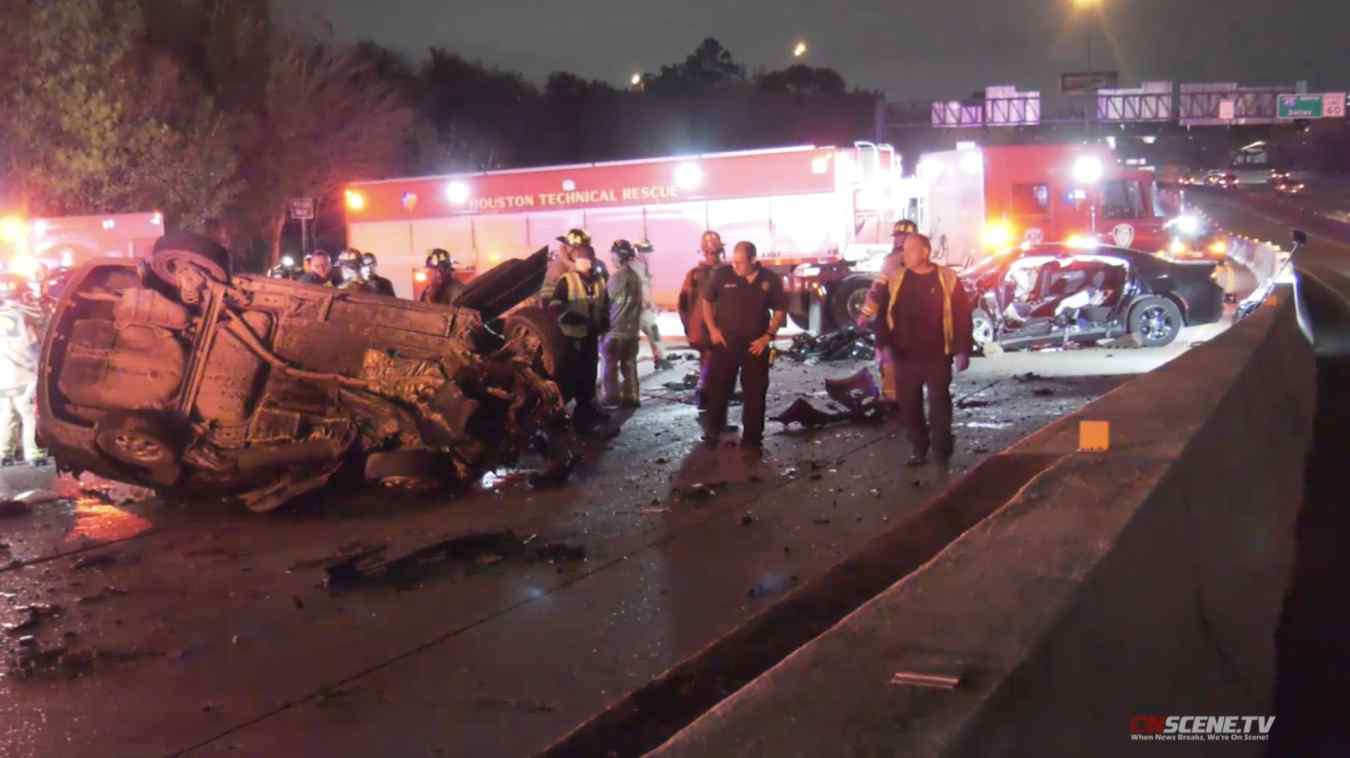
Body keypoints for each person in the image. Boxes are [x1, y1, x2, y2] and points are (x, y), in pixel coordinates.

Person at [873, 233, 974, 467]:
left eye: (909, 250)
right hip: (905, 356)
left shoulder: (947, 278)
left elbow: (962, 316)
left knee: (939, 405)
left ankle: (942, 450)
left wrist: (962, 350)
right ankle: (919, 448)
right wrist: (882, 345)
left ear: (924, 252)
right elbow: (882, 315)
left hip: (938, 355)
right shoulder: (897, 279)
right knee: (910, 407)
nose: (904, 255)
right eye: (903, 250)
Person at [700, 241, 787, 455]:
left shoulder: (769, 279)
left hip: (755, 346)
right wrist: (712, 330)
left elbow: (779, 310)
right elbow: (706, 301)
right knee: (718, 389)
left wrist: (768, 337)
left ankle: (752, 438)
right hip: (725, 344)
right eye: (733, 261)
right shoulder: (722, 276)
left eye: (740, 262)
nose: (735, 266)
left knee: (755, 392)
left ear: (753, 260)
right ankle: (713, 431)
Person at [858, 219, 920, 406]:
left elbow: (877, 290)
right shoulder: (924, 258)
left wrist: (865, 314)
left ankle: (893, 399)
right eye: (898, 236)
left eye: (903, 236)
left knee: (889, 357)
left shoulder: (893, 261)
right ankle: (907, 398)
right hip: (913, 320)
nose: (898, 240)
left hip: (893, 319)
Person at [549, 244, 609, 427]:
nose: (583, 263)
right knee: (572, 374)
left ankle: (586, 408)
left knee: (589, 373)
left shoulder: (599, 281)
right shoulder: (567, 280)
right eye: (580, 260)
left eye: (586, 260)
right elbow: (555, 306)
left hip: (591, 336)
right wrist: (577, 318)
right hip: (572, 336)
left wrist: (605, 323)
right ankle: (565, 414)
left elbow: (605, 304)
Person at [678, 231, 726, 410]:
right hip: (708, 331)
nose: (712, 255)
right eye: (710, 252)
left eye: (713, 252)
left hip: (708, 330)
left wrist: (690, 328)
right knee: (712, 364)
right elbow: (683, 304)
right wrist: (691, 328)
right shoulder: (696, 276)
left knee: (711, 364)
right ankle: (707, 398)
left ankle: (707, 396)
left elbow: (683, 305)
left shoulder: (695, 275)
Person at [600, 240, 644, 408]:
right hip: (632, 331)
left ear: (618, 256)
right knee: (629, 364)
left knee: (610, 365)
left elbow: (607, 302)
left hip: (615, 330)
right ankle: (631, 396)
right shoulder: (636, 278)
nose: (611, 257)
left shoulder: (616, 278)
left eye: (613, 254)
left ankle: (611, 397)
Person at [0, 301, 41, 466]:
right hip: (24, 377)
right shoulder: (20, 316)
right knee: (30, 418)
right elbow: (33, 345)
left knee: (8, 417)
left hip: (3, 379)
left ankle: (4, 456)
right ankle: (34, 457)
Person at [633, 240, 671, 370]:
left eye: (648, 252)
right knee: (637, 336)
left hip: (644, 308)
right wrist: (648, 303)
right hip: (636, 309)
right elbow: (639, 289)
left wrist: (652, 304)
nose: (647, 254)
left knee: (653, 332)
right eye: (644, 251)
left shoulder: (643, 265)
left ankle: (660, 358)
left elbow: (646, 289)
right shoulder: (634, 266)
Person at [540, 228, 591, 306]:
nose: (579, 252)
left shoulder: (573, 261)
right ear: (566, 246)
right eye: (575, 248)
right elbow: (548, 297)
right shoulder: (559, 265)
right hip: (557, 306)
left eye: (583, 248)